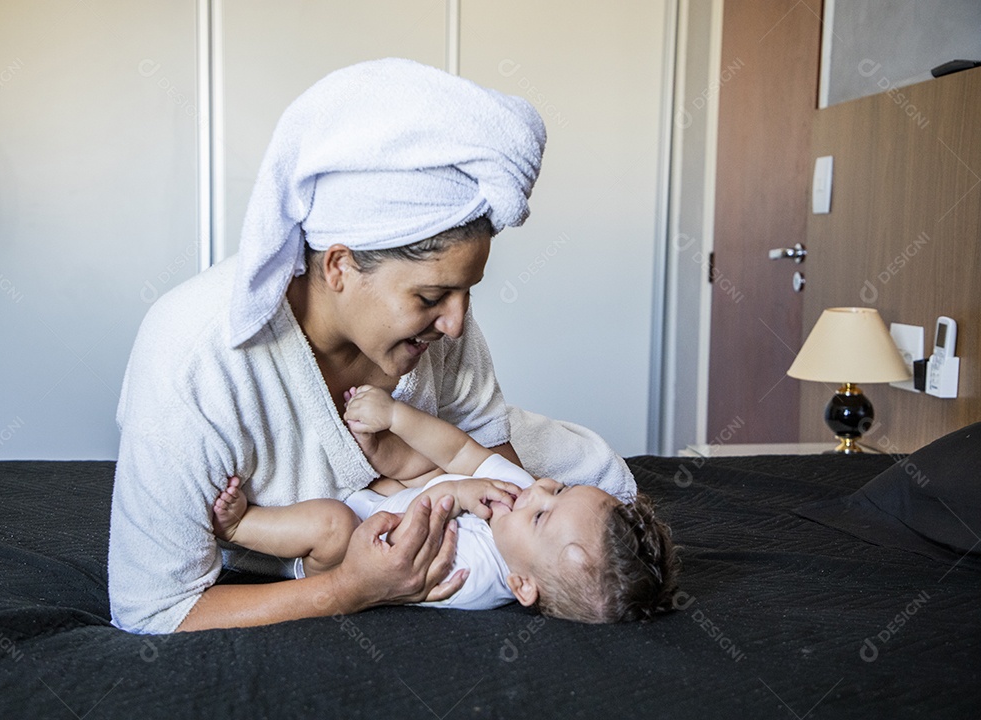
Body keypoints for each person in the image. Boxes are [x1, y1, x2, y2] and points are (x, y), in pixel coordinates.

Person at [108, 58, 637, 635]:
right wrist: (348, 589)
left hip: (439, 483)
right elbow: (155, 611)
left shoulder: (442, 331)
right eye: (434, 294)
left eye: (466, 293)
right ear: (339, 266)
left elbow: (495, 475)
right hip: (315, 542)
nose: (457, 324)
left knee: (598, 489)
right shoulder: (193, 357)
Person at [213, 386, 679, 622]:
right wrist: (397, 418)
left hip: (352, 551)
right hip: (389, 501)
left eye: (541, 515)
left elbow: (394, 535)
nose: (540, 488)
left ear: (521, 585)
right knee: (432, 468)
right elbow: (460, 453)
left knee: (332, 523)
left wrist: (453, 493)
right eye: (559, 489)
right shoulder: (518, 496)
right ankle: (375, 447)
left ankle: (238, 530)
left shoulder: (472, 577)